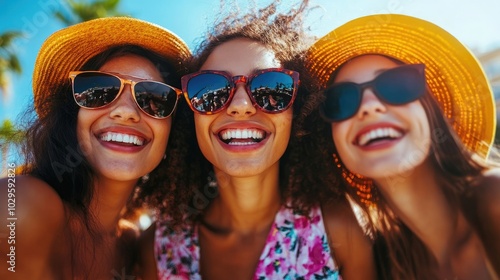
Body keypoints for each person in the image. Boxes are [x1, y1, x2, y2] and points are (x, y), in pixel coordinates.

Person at [135, 2, 376, 280]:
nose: (241, 106)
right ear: (191, 116)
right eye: (211, 89)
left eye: (269, 87)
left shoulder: (340, 229)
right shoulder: (157, 248)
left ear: (297, 112)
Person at [304, 14, 500, 279]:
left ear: (432, 112)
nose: (370, 106)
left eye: (396, 85)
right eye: (341, 100)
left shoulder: (494, 197)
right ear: (332, 141)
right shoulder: (380, 263)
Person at [0, 17, 190, 279]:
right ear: (71, 115)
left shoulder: (139, 248)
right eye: (99, 90)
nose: (126, 112)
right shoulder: (24, 205)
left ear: (173, 132)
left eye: (154, 99)